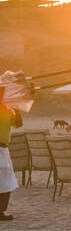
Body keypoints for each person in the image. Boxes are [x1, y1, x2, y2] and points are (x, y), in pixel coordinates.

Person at [0, 90, 23, 220]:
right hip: (1, 149)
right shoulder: (7, 110)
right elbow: (18, 124)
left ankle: (1, 211)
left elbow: (18, 124)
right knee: (5, 182)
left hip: (3, 148)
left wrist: (16, 109)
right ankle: (0, 212)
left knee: (5, 181)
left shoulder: (8, 110)